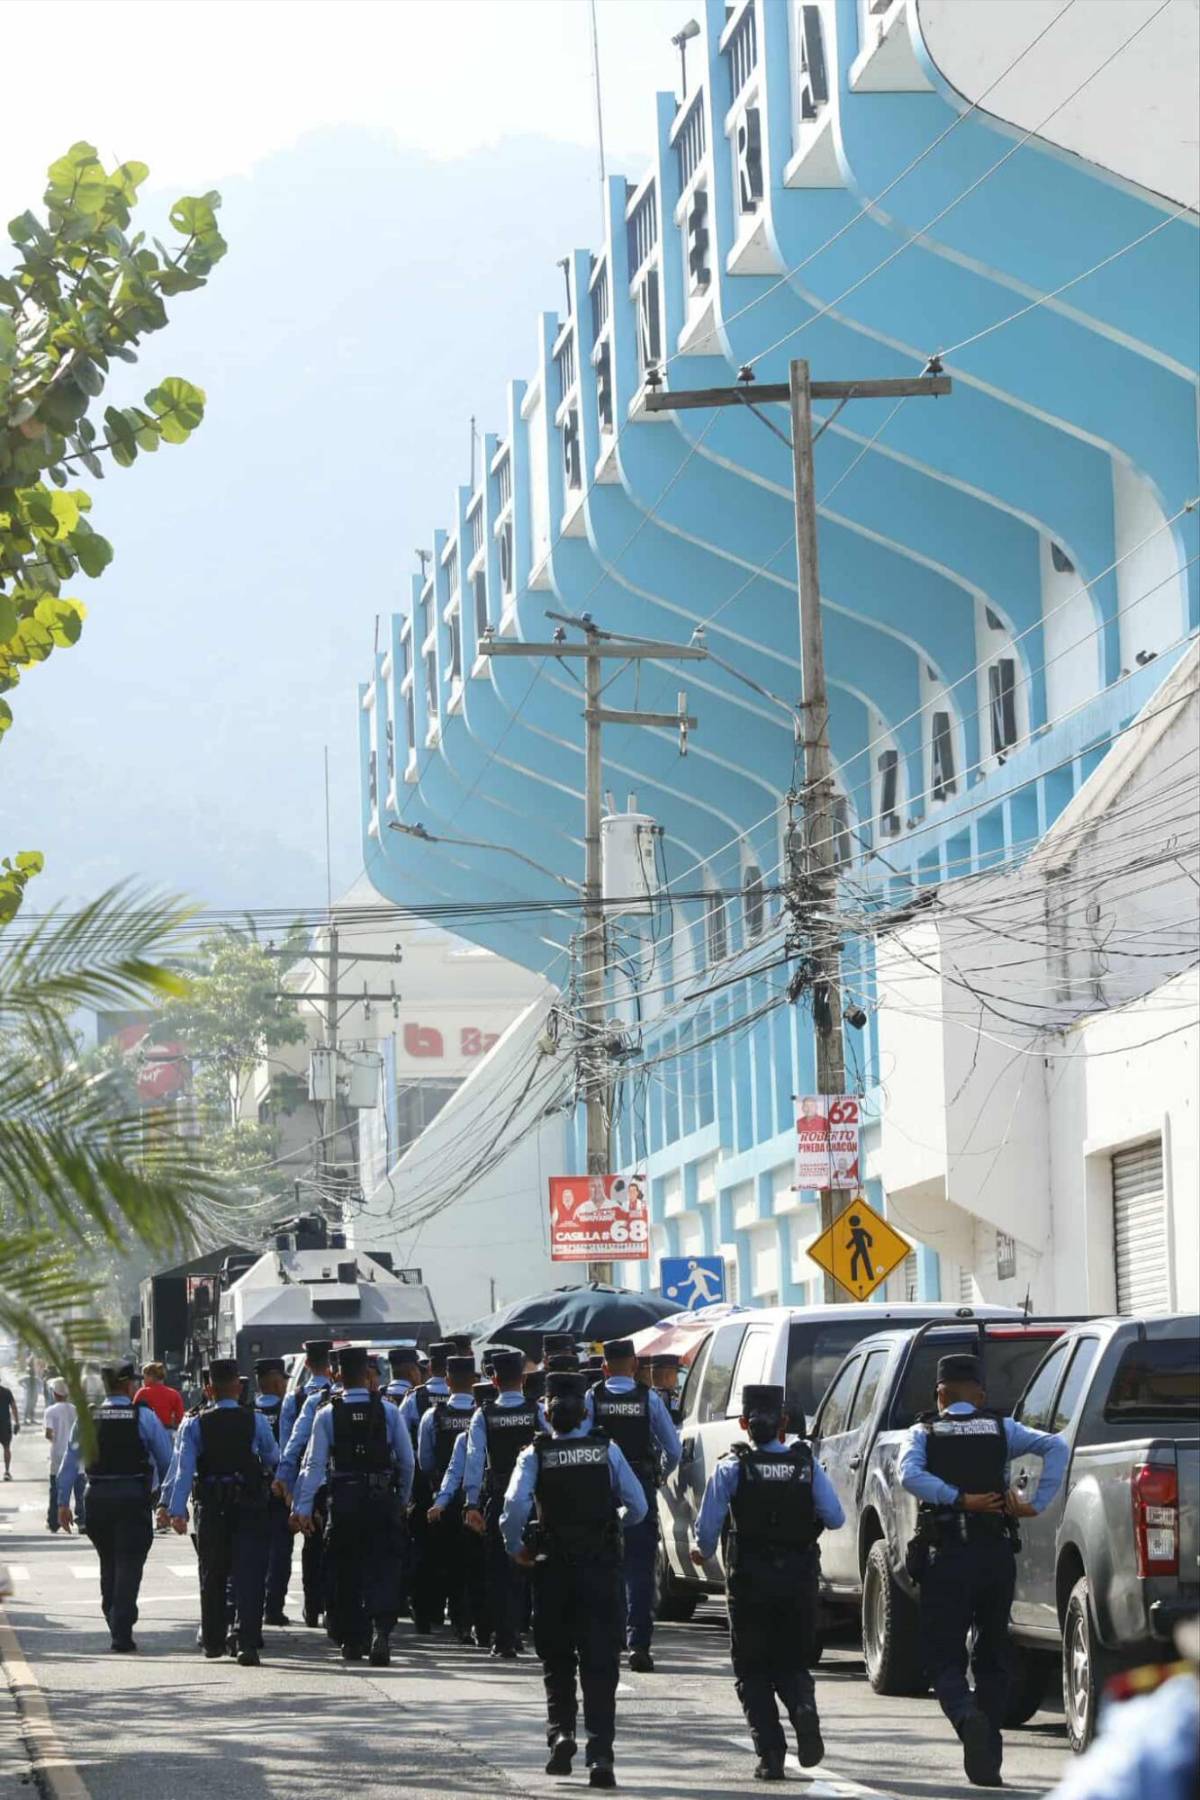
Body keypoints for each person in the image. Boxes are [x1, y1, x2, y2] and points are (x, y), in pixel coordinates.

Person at [898, 1351, 1069, 1789]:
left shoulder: (924, 1431)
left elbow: (909, 1475)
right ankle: (987, 1754)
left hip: (947, 1557)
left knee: (943, 1658)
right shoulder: (1001, 1428)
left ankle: (966, 1716)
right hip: (994, 1557)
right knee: (993, 1655)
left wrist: (956, 1498)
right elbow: (1056, 1446)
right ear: (979, 1393)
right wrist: (1034, 1503)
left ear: (940, 1394)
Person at [501, 1371, 647, 1790]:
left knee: (558, 1661)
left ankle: (561, 1734)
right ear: (585, 1411)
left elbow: (512, 1509)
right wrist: (613, 1523)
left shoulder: (535, 1453)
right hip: (600, 1571)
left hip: (553, 1571)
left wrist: (517, 1548)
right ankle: (600, 1756)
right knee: (600, 1665)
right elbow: (636, 1506)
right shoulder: (607, 1449)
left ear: (546, 1413)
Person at [692, 1384, 844, 1781]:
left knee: (752, 1668)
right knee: (792, 1661)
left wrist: (700, 1550)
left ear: (744, 1424)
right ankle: (803, 1709)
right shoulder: (806, 1466)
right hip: (798, 1581)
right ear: (785, 1424)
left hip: (749, 1584)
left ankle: (771, 1756)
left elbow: (706, 1533)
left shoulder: (731, 1467)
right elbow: (836, 1517)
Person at [290, 1344, 414, 1665]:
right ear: (369, 1375)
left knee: (344, 1568)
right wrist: (400, 1498)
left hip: (344, 1500)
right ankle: (380, 1631)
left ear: (337, 1375)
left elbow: (314, 1466)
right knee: (383, 1566)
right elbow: (407, 1461)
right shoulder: (388, 1410)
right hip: (381, 1498)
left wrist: (302, 1508)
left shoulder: (327, 1413)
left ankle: (350, 1638)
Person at [164, 1358, 279, 1665]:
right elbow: (272, 1457)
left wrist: (176, 1510)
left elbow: (184, 1469)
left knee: (212, 1573)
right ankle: (246, 1642)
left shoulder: (194, 1423)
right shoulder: (255, 1420)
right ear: (239, 1388)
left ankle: (213, 1641)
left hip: (212, 1506)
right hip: (249, 1504)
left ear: (209, 1389)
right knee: (249, 1574)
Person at [57, 1360, 173, 1652]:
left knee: (108, 1560)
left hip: (96, 1499)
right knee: (129, 1562)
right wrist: (167, 1500)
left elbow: (69, 1464)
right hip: (133, 1497)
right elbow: (166, 1459)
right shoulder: (143, 1417)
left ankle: (114, 1611)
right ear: (129, 1385)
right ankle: (121, 1625)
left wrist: (62, 1502)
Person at [434, 1346, 541, 1659]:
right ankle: (525, 1629)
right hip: (535, 1499)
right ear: (522, 1378)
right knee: (535, 1566)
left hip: (498, 1497)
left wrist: (471, 1503)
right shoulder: (536, 1411)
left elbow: (474, 1456)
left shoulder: (484, 1414)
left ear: (493, 1380)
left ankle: (504, 1637)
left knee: (499, 1569)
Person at [588, 1336, 681, 1672]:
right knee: (639, 1568)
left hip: (600, 1490)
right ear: (636, 1366)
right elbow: (673, 1450)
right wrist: (659, 1476)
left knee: (604, 1563)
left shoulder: (592, 1397)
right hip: (639, 1486)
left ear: (603, 1367)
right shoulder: (649, 1398)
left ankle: (610, 1637)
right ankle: (638, 1644)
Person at [275, 1339, 336, 1628]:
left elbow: (290, 1444)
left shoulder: (297, 1398)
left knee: (311, 1546)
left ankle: (312, 1608)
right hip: (339, 1483)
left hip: (308, 1481)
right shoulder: (342, 1395)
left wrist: (287, 1487)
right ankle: (333, 1606)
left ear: (308, 1364)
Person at [421, 1354, 482, 1643]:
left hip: (447, 1500)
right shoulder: (484, 1413)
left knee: (451, 1562)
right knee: (480, 1563)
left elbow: (425, 1460)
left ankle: (457, 1620)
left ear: (447, 1381)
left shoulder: (433, 1416)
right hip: (482, 1500)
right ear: (476, 1379)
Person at [400, 1339, 453, 1633]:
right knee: (455, 1551)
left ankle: (424, 1611)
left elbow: (407, 1447)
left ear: (430, 1367)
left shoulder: (415, 1399)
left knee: (422, 1550)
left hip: (423, 1486)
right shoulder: (471, 1399)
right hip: (457, 1488)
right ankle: (457, 1614)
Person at [253, 1357, 293, 1625]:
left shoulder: (248, 1411)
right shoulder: (287, 1409)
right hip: (280, 1490)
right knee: (280, 1552)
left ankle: (253, 1606)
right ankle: (273, 1608)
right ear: (278, 1382)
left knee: (253, 1552)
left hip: (252, 1491)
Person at [43, 1378, 81, 1531]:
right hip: (76, 1452)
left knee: (56, 1487)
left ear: (55, 1393)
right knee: (79, 1487)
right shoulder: (75, 1409)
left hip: (58, 1453)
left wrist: (55, 1440)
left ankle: (54, 1521)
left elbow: (48, 1433)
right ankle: (82, 1519)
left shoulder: (50, 1411)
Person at [134, 1362, 185, 1433]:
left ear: (151, 1377)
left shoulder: (142, 1392)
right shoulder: (174, 1394)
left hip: (148, 1431)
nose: (143, 1380)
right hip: (168, 1431)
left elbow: (134, 1414)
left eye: (144, 1377)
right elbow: (180, 1418)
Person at [651, 1355, 684, 1427]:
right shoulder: (654, 1401)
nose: (676, 1378)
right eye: (675, 1373)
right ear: (666, 1376)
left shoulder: (676, 1399)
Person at [0, 1375, 19, 1479]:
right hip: (4, 1424)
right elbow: (14, 1407)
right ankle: (7, 1472)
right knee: (6, 1448)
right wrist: (17, 1422)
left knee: (7, 1448)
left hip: (5, 1423)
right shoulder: (7, 1392)